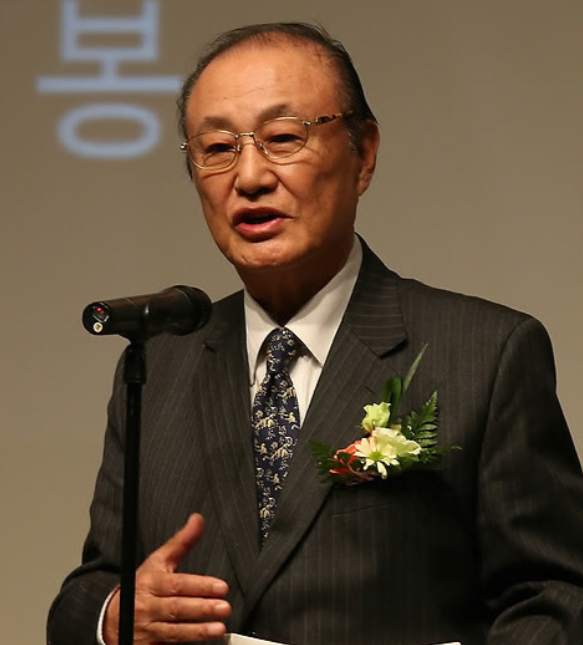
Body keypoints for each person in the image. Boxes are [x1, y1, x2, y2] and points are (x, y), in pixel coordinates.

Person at [47, 23, 583, 645]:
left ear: (364, 154)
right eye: (217, 147)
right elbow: (88, 590)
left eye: (282, 138)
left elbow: (556, 595)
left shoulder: (484, 353)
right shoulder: (160, 362)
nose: (249, 176)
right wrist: (114, 615)